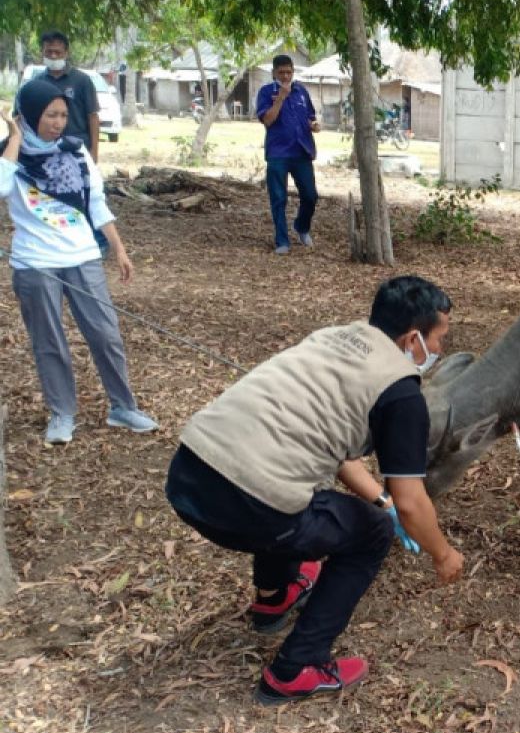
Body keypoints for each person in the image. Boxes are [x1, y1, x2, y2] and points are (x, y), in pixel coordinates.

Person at [164, 276, 465, 706]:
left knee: (294, 487)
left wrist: (379, 500)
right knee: (372, 533)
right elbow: (412, 501)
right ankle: (296, 668)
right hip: (247, 506)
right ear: (412, 339)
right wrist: (443, 554)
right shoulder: (400, 393)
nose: (439, 350)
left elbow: (340, 456)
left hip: (188, 473)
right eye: (439, 338)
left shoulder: (331, 339)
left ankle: (275, 597)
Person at [0, 81, 159, 445]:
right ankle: (62, 414)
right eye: (50, 116)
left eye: (62, 116)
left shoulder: (75, 151)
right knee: (49, 340)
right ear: (28, 117)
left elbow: (97, 202)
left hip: (83, 255)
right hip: (35, 263)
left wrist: (118, 248)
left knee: (105, 334)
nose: (58, 123)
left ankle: (122, 406)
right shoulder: (9, 157)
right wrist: (14, 136)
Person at [19, 30, 109, 254]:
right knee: (55, 201)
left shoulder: (81, 80)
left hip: (77, 148)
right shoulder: (37, 82)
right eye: (48, 51)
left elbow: (93, 117)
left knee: (89, 197)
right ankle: (62, 244)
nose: (53, 55)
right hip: (46, 154)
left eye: (57, 52)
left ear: (66, 52)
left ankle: (99, 244)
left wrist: (94, 153)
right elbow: (21, 118)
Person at [255, 55, 320, 255]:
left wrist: (314, 125)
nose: (286, 76)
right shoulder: (266, 92)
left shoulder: (301, 91)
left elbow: (310, 116)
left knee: (310, 195)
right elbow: (267, 120)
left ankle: (301, 227)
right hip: (278, 153)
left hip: (302, 151)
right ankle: (282, 241)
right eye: (281, 72)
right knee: (278, 198)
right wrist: (281, 97)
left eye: (289, 72)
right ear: (274, 72)